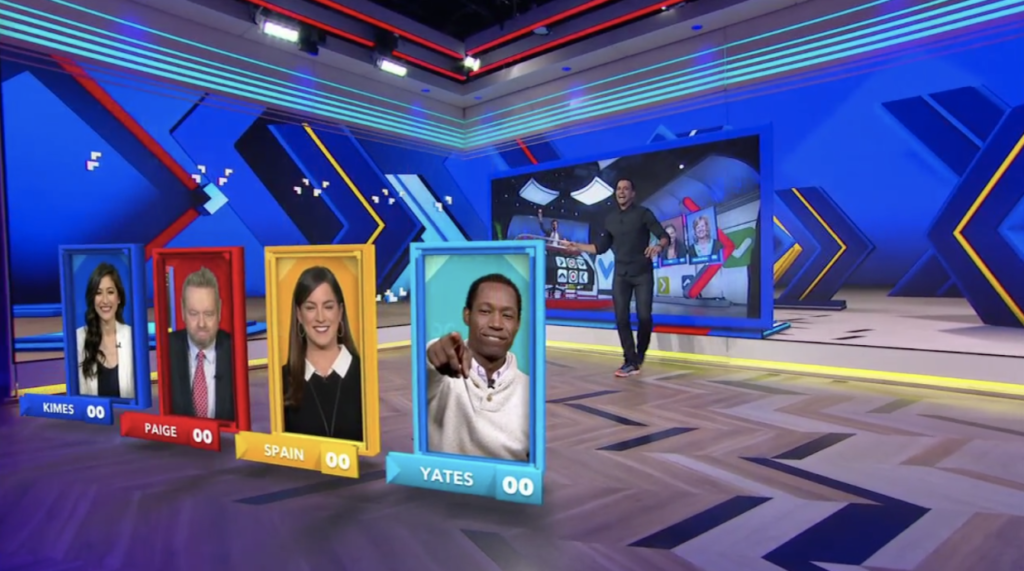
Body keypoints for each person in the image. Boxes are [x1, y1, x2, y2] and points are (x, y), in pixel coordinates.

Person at [567, 178, 669, 377]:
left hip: (642, 274)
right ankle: (629, 360)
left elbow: (664, 236)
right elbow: (600, 248)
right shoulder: (611, 219)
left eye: (625, 189)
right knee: (621, 318)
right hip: (621, 275)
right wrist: (577, 246)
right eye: (618, 189)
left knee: (644, 317)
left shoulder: (644, 214)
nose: (621, 192)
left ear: (633, 193)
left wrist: (659, 246)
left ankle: (639, 355)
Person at [426, 273, 530, 462]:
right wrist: (432, 353)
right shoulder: (442, 376)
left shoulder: (531, 391)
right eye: (485, 311)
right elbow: (429, 366)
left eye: (507, 315)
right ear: (467, 315)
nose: (496, 324)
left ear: (518, 324)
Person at [282, 266, 363, 441]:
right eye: (310, 308)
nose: (320, 317)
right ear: (299, 315)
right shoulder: (282, 380)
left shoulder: (365, 375)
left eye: (328, 307)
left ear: (340, 312)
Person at [167, 267, 235, 420]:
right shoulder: (166, 350)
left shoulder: (235, 350)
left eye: (209, 314)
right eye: (193, 314)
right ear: (182, 311)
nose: (201, 324)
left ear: (219, 310)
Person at [76, 262, 135, 398]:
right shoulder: (79, 339)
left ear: (118, 298)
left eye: (110, 292)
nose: (105, 300)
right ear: (92, 299)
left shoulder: (132, 337)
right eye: (98, 293)